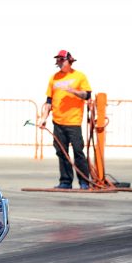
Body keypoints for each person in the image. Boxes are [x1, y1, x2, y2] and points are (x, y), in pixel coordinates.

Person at [38, 49, 92, 189]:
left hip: (73, 121)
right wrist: (44, 118)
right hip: (58, 121)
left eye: (62, 59)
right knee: (61, 152)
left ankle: (84, 181)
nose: (59, 62)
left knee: (78, 151)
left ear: (70, 61)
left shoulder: (79, 76)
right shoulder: (54, 78)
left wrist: (74, 91)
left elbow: (87, 95)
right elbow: (49, 100)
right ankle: (66, 181)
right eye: (58, 60)